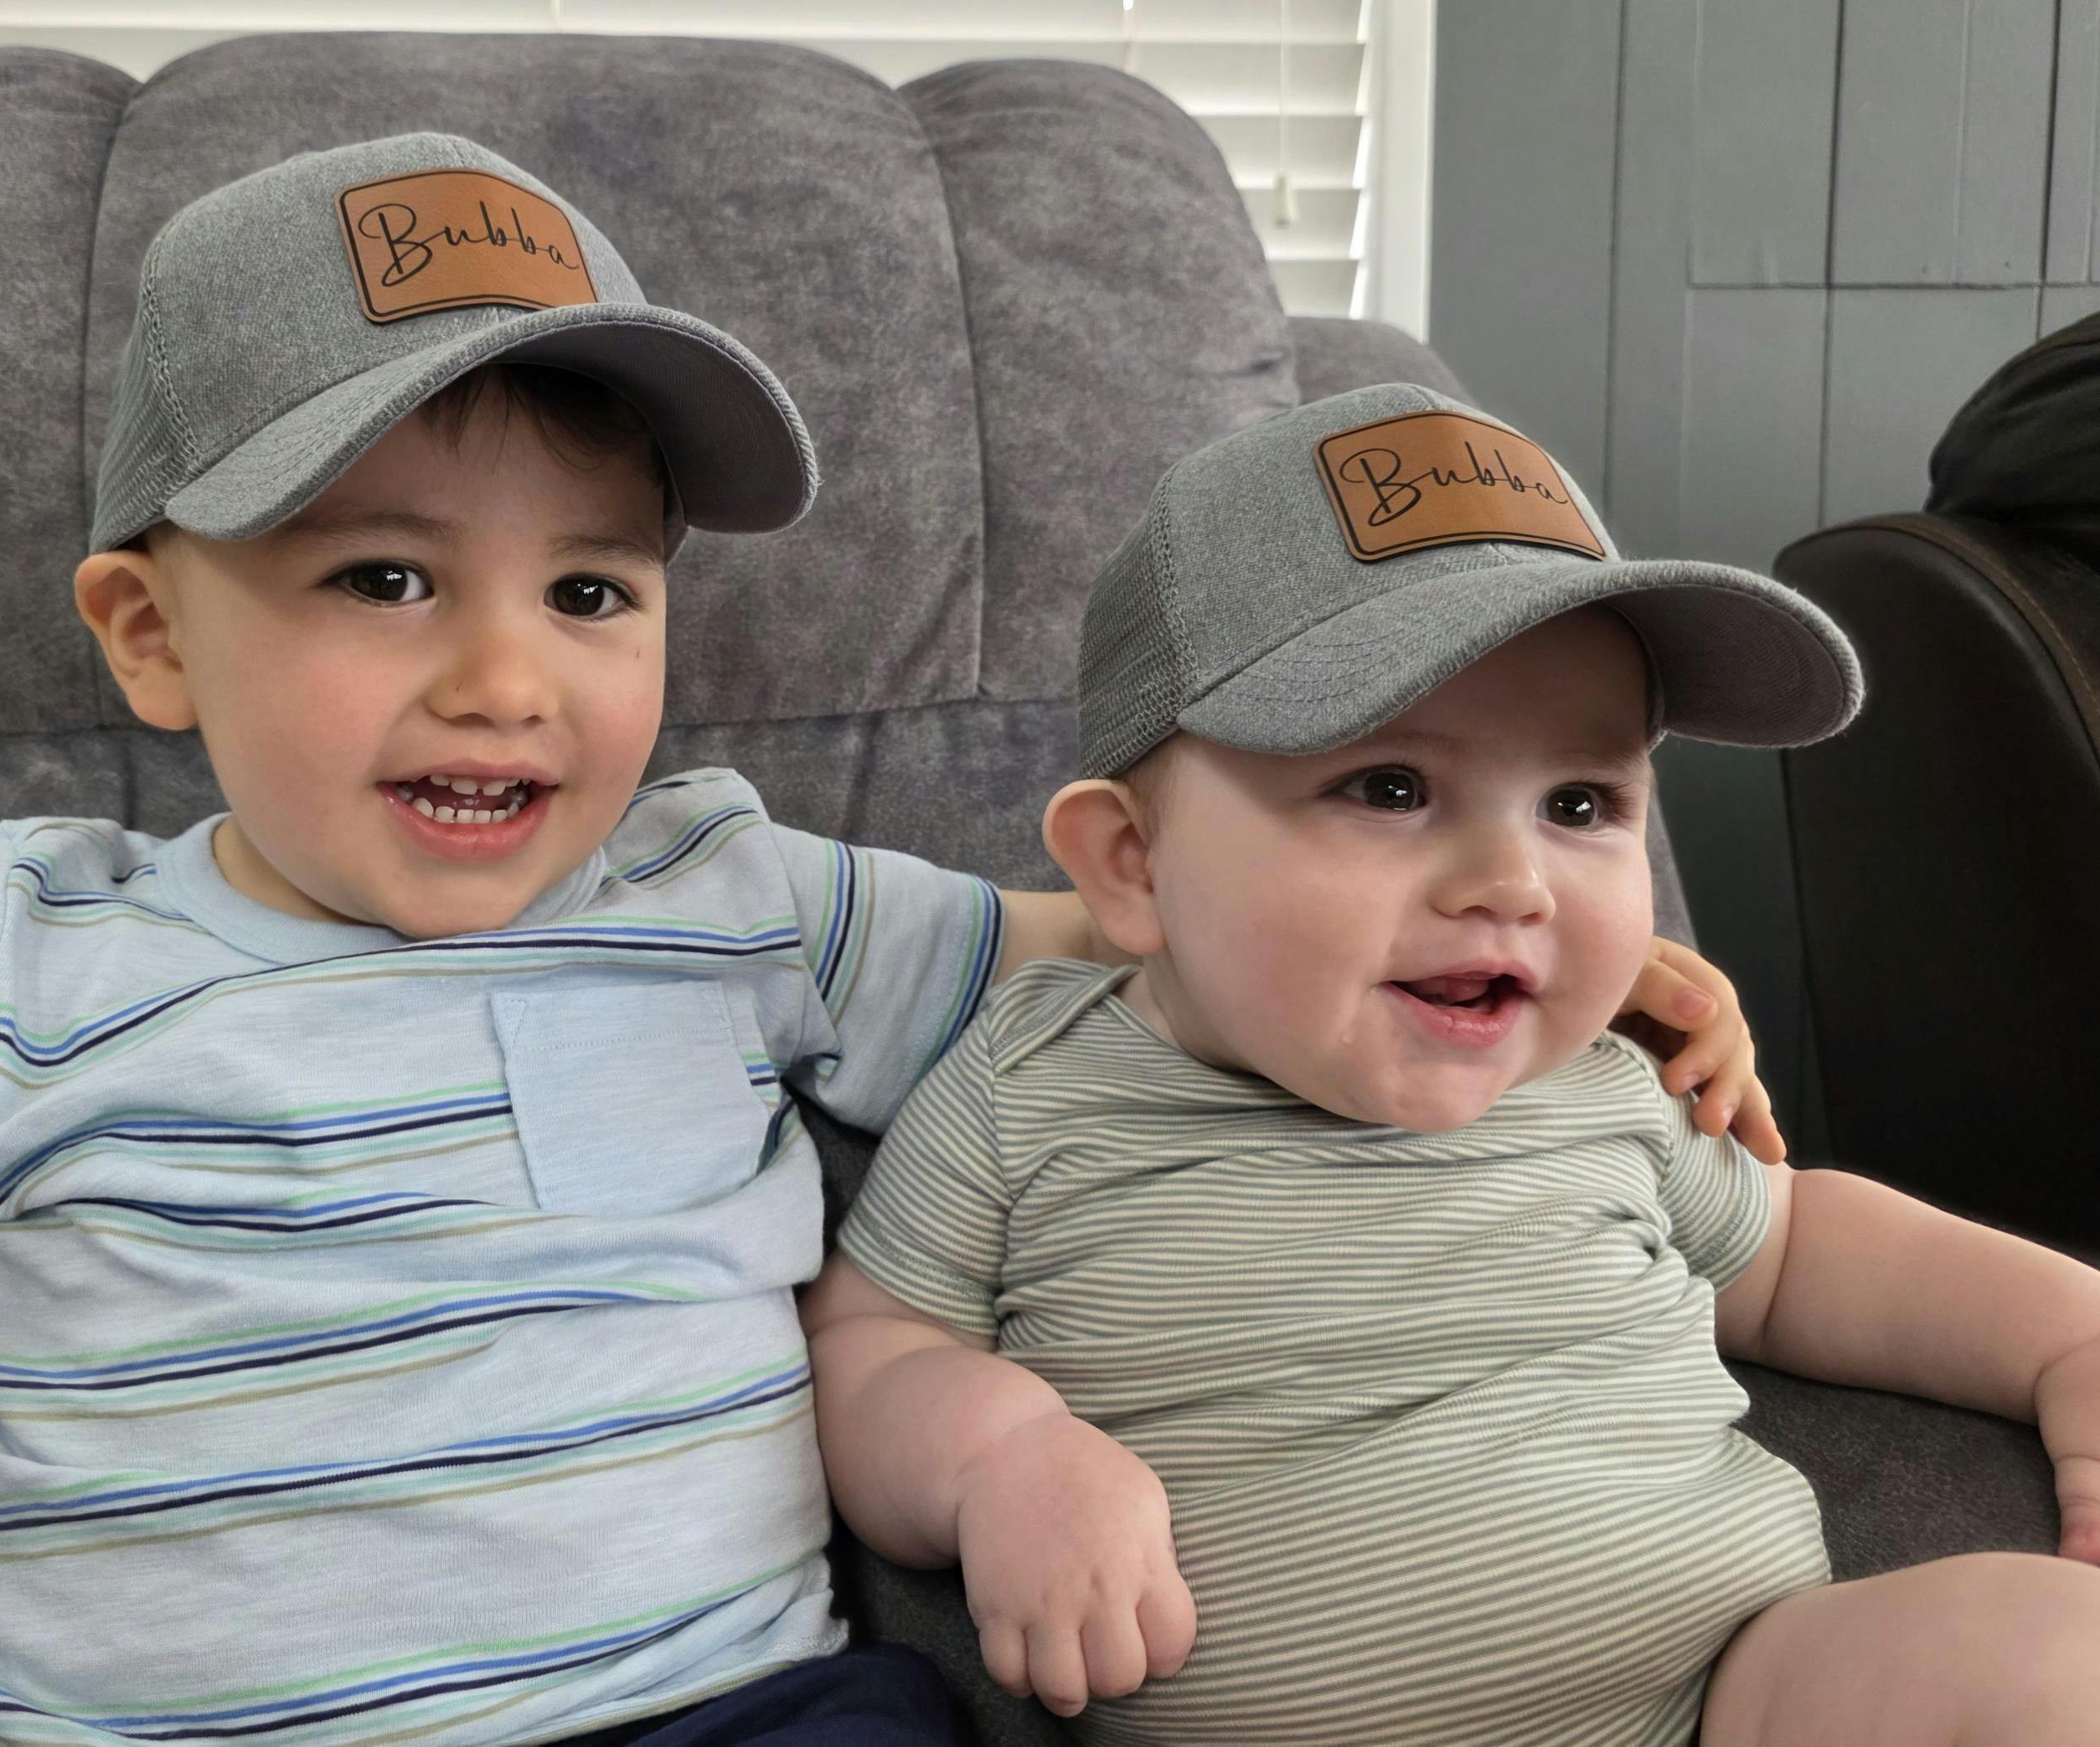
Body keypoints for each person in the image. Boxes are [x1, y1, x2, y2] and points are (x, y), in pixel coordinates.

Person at [0, 144, 1766, 1747]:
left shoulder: (729, 888)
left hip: (723, 1711)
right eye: (382, 580)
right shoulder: (16, 943)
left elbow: (1145, 938)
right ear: (152, 633)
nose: (506, 678)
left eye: (592, 591)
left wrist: (1541, 975)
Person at [803, 383, 2100, 1747]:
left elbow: (1800, 1253)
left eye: (1580, 802)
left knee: (2043, 1651)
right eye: (1392, 788)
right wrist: (1000, 1453)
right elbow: (874, 1342)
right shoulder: (1030, 1085)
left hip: (1734, 1687)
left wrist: (2067, 1333)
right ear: (1132, 864)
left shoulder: (1604, 1081)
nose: (1512, 880)